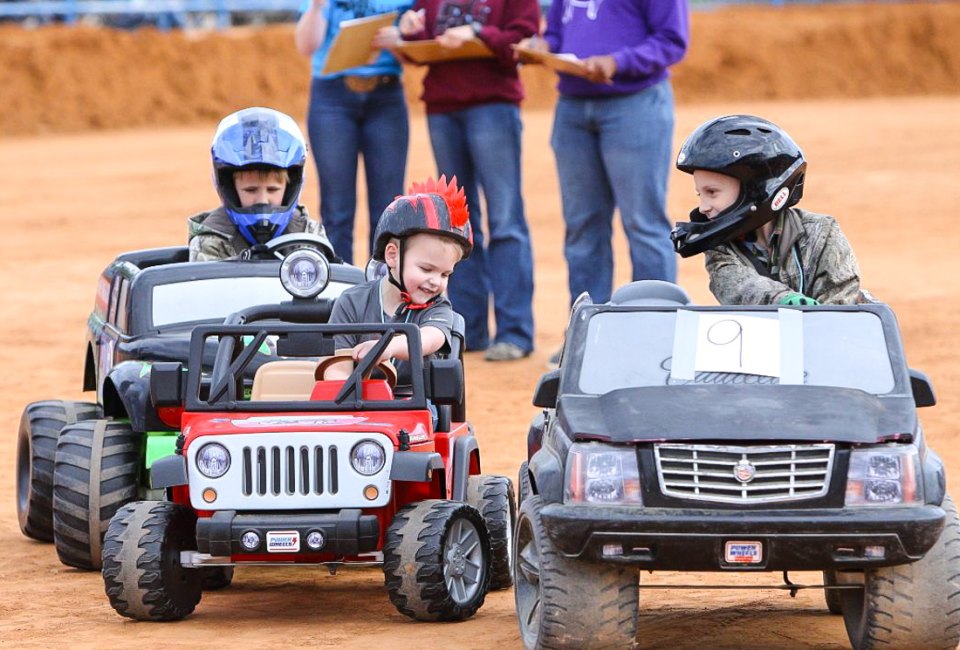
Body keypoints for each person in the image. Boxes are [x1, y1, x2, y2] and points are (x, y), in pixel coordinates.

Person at [379, 0, 539, 361]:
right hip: (443, 107)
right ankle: (467, 327)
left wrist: (479, 33)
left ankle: (514, 331)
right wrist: (406, 32)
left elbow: (524, 40)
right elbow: (421, 42)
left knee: (505, 220)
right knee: (458, 225)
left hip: (493, 105)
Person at [671, 114, 861, 305]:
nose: (703, 207)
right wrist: (785, 301)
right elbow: (738, 286)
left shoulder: (823, 232)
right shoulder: (719, 247)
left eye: (712, 192)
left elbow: (842, 301)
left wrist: (811, 319)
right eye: (700, 194)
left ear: (756, 189)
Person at [322, 176, 472, 384]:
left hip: (416, 404)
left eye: (445, 274)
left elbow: (430, 338)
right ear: (392, 256)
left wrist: (389, 347)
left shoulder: (437, 308)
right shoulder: (352, 302)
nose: (436, 281)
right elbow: (336, 371)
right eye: (426, 269)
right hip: (357, 402)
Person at [295, 0, 412, 265]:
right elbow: (306, 45)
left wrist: (400, 40)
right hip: (332, 97)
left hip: (386, 96)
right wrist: (316, 7)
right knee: (337, 209)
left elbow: (414, 53)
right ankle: (338, 295)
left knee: (389, 208)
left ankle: (384, 293)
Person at [188, 107, 329, 262]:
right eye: (251, 190)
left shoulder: (308, 235)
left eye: (272, 189)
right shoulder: (212, 239)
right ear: (230, 189)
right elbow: (205, 283)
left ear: (290, 188)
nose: (262, 199)